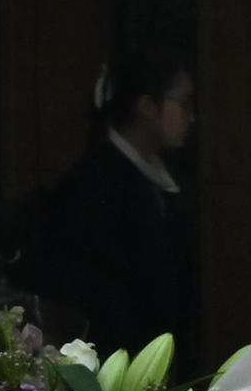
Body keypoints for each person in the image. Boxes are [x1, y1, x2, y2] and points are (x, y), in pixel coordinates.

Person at [17, 43, 206, 361]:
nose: (192, 116)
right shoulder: (96, 185)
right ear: (147, 106)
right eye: (184, 102)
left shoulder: (156, 175)